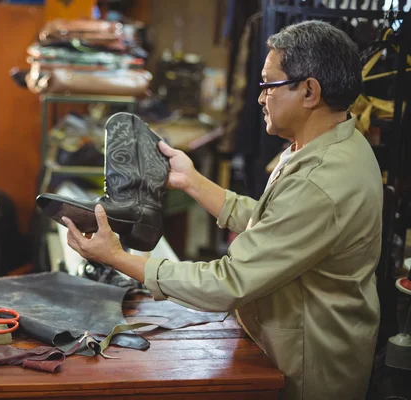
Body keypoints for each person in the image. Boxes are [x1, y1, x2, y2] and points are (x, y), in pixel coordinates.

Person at [62, 20, 383, 400]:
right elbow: (275, 225)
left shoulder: (321, 179)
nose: (261, 98)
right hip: (289, 343)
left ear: (309, 91)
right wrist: (192, 181)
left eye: (269, 84)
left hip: (310, 369)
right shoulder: (331, 142)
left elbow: (227, 283)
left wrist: (116, 257)